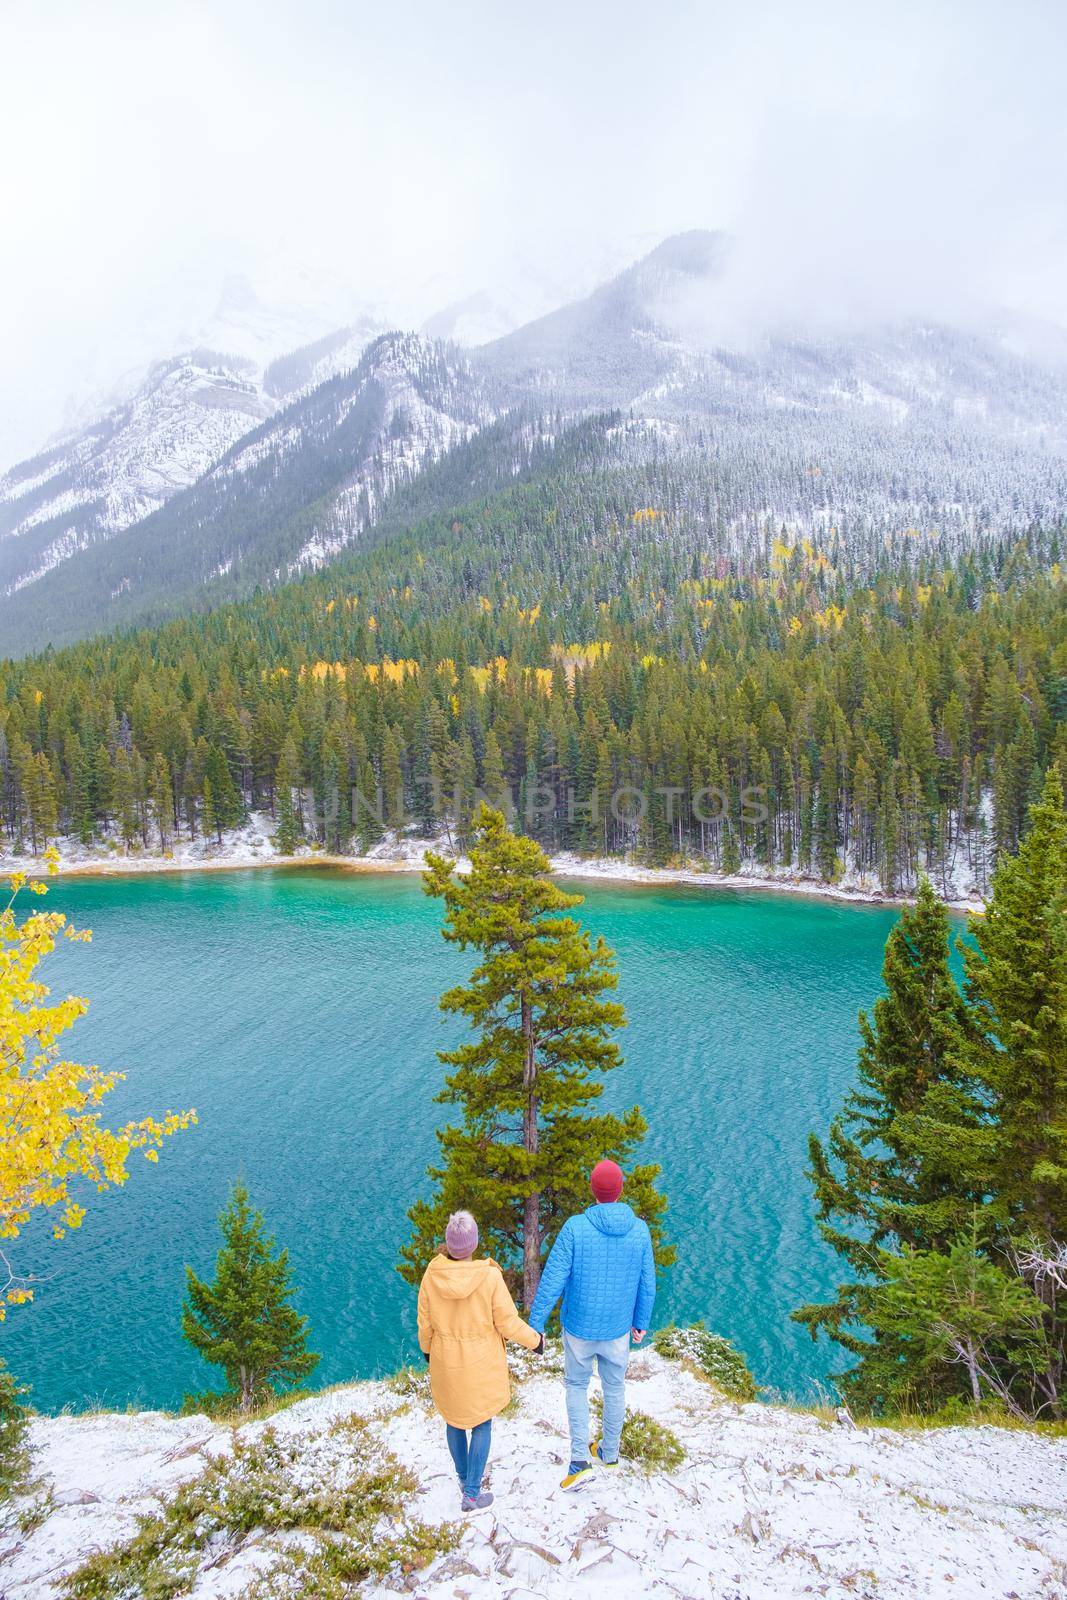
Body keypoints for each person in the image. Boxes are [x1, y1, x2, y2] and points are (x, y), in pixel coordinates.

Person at [528, 1158, 656, 1490]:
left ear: (592, 1190)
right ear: (621, 1190)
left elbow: (553, 1279)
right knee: (614, 1388)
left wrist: (535, 1324)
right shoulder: (639, 1230)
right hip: (617, 1330)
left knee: (576, 1387)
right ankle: (609, 1453)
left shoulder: (575, 1228)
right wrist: (640, 1321)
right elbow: (647, 1282)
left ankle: (578, 1461)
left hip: (579, 1329)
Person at [417, 1209, 544, 1512]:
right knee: (481, 1423)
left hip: (447, 1362)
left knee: (454, 1421)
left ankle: (464, 1480)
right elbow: (508, 1323)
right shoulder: (489, 1276)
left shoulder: (432, 1275)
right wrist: (536, 1342)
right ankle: (472, 1493)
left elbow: (424, 1323)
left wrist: (427, 1351)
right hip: (481, 1365)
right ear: (473, 1244)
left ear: (448, 1244)